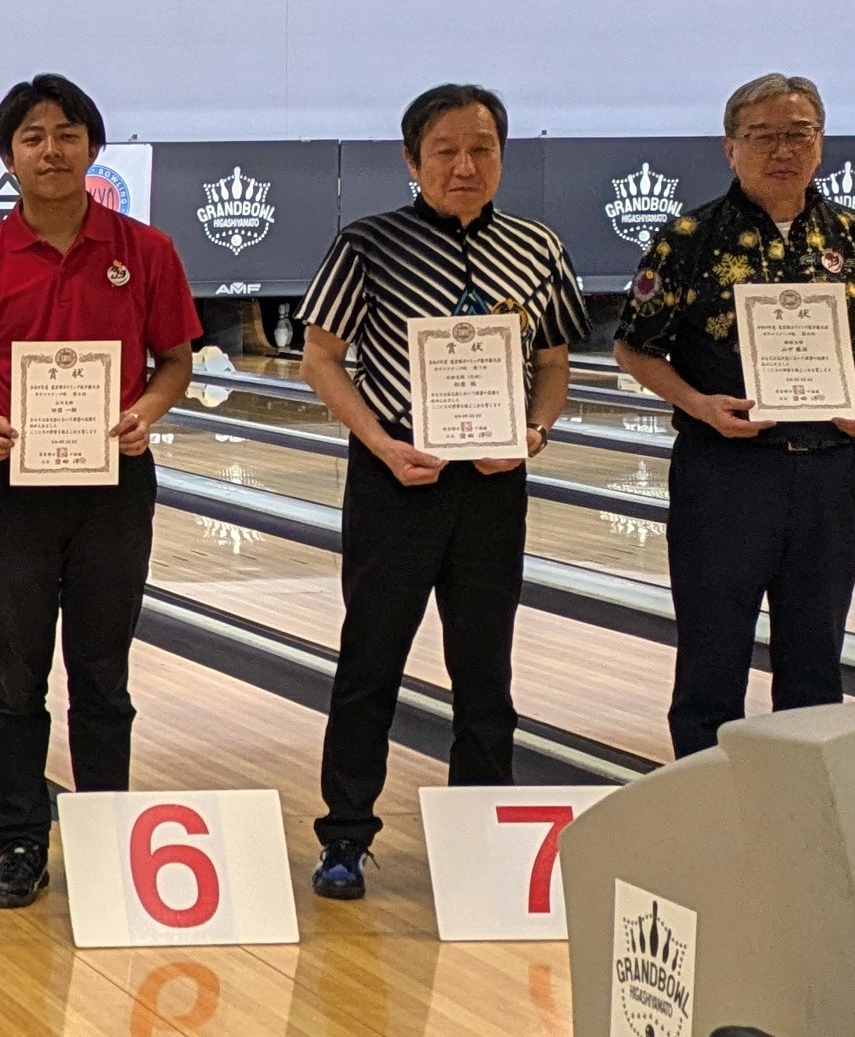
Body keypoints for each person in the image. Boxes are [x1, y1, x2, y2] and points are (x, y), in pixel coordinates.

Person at [294, 84, 587, 900]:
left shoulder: (537, 247)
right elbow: (321, 357)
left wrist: (533, 433)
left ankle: (483, 833)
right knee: (370, 662)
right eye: (446, 150)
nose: (465, 165)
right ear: (412, 159)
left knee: (485, 668)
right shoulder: (368, 243)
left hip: (492, 485)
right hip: (397, 479)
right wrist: (382, 444)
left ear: (502, 154)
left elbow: (554, 362)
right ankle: (345, 834)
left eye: (482, 148)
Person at [0, 74, 198, 910]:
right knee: (16, 678)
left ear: (93, 148)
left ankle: (108, 835)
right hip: (12, 485)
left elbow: (175, 362)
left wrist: (146, 411)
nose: (52, 149)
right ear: (9, 156)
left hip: (113, 484)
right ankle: (19, 840)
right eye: (34, 136)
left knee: (102, 674)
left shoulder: (146, 251)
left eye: (68, 134)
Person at [611, 73, 855, 758]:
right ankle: (705, 796)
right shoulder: (688, 238)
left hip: (829, 475)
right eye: (763, 136)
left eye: (798, 134)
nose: (783, 150)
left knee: (816, 661)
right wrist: (699, 405)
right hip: (723, 472)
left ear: (821, 142)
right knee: (711, 657)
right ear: (731, 148)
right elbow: (634, 346)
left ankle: (804, 800)